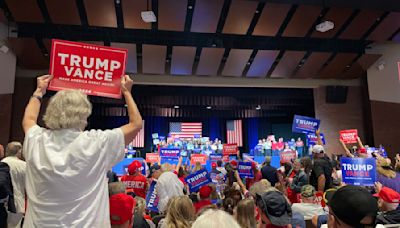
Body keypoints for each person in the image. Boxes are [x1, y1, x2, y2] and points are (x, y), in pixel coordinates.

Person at [22, 75, 142, 227]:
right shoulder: (97, 143)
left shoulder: (36, 139)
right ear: (84, 114)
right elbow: (136, 124)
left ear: (51, 111)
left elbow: (29, 119)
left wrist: (38, 92)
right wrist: (127, 92)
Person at [1, 142, 26, 228]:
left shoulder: (1, 163)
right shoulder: (24, 166)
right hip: (18, 203)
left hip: (2, 202)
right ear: (19, 151)